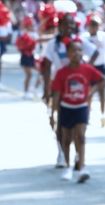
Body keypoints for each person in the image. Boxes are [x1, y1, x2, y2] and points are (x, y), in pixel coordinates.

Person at [42, 12, 98, 169]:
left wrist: (86, 69)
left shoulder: (79, 42)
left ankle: (79, 157)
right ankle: (61, 154)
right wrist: (47, 89)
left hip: (76, 89)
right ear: (60, 26)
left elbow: (95, 52)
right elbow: (46, 67)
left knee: (79, 126)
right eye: (66, 24)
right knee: (61, 123)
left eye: (72, 24)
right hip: (59, 88)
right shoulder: (54, 44)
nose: (70, 27)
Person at [50, 40, 105, 183]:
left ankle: (82, 167)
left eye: (79, 50)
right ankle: (68, 166)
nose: (77, 53)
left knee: (80, 136)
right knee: (67, 139)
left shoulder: (87, 69)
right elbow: (56, 94)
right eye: (73, 51)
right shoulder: (62, 72)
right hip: (66, 107)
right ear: (67, 54)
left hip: (81, 107)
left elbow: (102, 80)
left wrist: (91, 92)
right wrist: (53, 114)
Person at [81, 13, 105, 118]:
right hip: (90, 68)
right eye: (92, 24)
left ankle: (103, 114)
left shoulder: (104, 36)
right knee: (90, 91)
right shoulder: (84, 37)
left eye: (96, 24)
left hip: (101, 67)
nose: (94, 26)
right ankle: (87, 116)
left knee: (102, 91)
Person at [18, 16, 38, 99]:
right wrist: (26, 17)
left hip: (33, 56)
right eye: (31, 24)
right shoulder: (24, 33)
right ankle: (26, 92)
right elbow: (21, 26)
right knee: (29, 75)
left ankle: (34, 89)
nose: (33, 26)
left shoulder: (35, 34)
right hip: (26, 56)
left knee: (42, 72)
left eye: (34, 25)